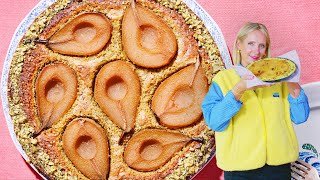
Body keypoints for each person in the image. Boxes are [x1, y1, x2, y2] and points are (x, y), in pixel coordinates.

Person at [202, 22, 310, 179]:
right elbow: (214, 122)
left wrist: (293, 82)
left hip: (278, 168)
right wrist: (238, 90)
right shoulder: (223, 79)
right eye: (250, 44)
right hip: (239, 170)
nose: (256, 51)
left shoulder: (278, 80)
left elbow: (301, 117)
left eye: (262, 46)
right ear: (239, 44)